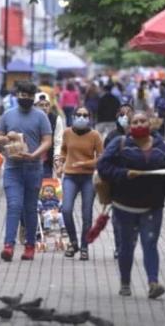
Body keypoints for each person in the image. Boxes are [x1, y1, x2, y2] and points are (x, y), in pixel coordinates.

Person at [97, 111, 165, 299]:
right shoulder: (120, 144)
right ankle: (125, 282)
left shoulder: (162, 147)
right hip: (124, 207)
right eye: (135, 122)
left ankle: (153, 283)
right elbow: (103, 167)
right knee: (126, 246)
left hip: (152, 207)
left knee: (150, 243)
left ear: (150, 124)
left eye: (143, 121)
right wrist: (124, 173)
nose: (139, 124)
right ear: (129, 126)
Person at [0, 81, 52, 262]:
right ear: (17, 95)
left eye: (28, 95)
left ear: (33, 97)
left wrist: (35, 154)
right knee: (14, 205)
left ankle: (29, 246)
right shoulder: (8, 115)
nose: (24, 98)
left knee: (30, 208)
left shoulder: (41, 116)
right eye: (21, 94)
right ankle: (8, 246)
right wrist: (7, 138)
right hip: (12, 168)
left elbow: (47, 140)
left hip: (34, 168)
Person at [58, 107, 103, 261]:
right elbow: (63, 150)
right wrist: (60, 163)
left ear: (90, 118)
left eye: (85, 115)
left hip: (88, 178)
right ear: (73, 116)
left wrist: (86, 163)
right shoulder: (67, 133)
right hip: (70, 175)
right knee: (66, 209)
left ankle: (84, 247)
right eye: (79, 115)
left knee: (87, 214)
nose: (82, 118)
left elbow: (102, 158)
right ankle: (73, 242)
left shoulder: (95, 135)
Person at [103, 103, 134, 259]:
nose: (125, 117)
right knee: (117, 218)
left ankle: (129, 244)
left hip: (136, 183)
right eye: (122, 114)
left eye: (128, 113)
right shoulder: (112, 136)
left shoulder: (140, 135)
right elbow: (104, 161)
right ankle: (119, 247)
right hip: (117, 183)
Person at [35, 93, 64, 178]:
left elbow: (58, 141)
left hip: (47, 161)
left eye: (47, 105)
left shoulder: (55, 119)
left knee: (46, 188)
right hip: (31, 161)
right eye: (41, 105)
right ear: (35, 106)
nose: (44, 108)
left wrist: (56, 158)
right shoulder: (29, 118)